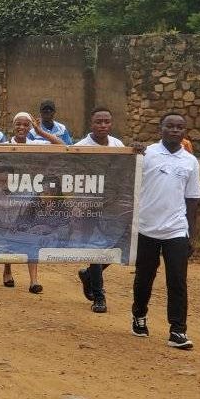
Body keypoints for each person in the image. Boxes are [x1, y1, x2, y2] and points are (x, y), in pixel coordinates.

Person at [130, 113, 200, 350]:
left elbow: (191, 200)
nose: (174, 130)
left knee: (178, 281)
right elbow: (127, 179)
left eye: (180, 127)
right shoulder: (147, 154)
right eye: (170, 126)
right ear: (160, 128)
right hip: (146, 228)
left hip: (176, 230)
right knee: (144, 277)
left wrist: (191, 233)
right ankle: (139, 316)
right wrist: (134, 152)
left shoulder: (190, 162)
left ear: (185, 131)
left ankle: (178, 331)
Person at [74, 107, 126, 314]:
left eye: (106, 121)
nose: (103, 125)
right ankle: (99, 296)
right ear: (91, 124)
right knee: (95, 247)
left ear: (111, 124)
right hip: (89, 206)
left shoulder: (118, 145)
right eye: (99, 122)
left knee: (121, 244)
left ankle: (88, 275)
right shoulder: (80, 148)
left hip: (112, 206)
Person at [5, 111, 65, 293]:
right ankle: (7, 269)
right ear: (13, 126)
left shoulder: (36, 144)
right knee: (11, 235)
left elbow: (62, 146)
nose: (22, 127)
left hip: (31, 198)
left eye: (26, 125)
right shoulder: (4, 146)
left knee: (31, 236)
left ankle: (33, 280)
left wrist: (41, 132)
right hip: (11, 199)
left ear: (30, 127)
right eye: (18, 124)